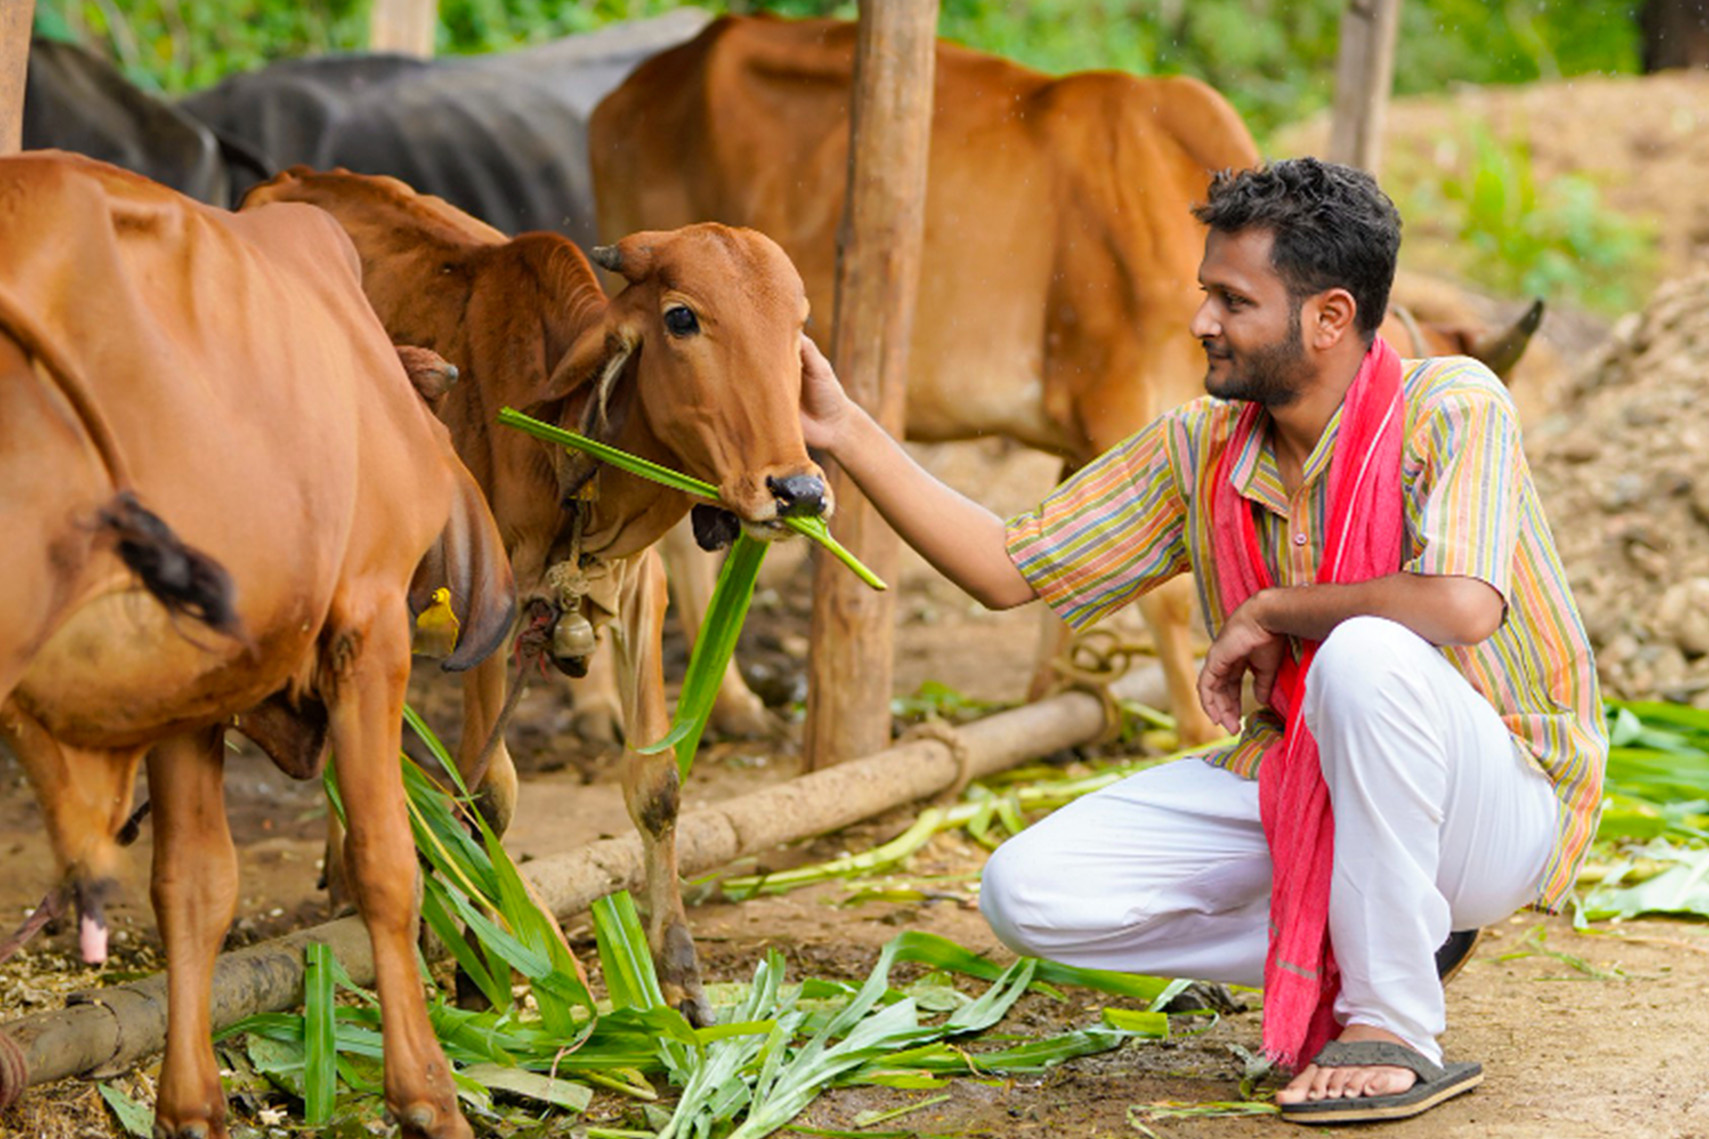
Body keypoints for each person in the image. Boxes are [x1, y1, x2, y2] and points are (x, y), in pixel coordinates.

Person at [796, 157, 1606, 1124]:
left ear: (1329, 317)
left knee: (1363, 651)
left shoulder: (1451, 403)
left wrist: (1273, 609)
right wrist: (844, 431)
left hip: (1495, 805)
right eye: (1205, 293)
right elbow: (1006, 568)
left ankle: (1391, 1021)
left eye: (1232, 299)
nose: (1200, 323)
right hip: (1297, 774)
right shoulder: (1201, 444)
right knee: (1029, 893)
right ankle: (1383, 926)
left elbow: (1462, 606)